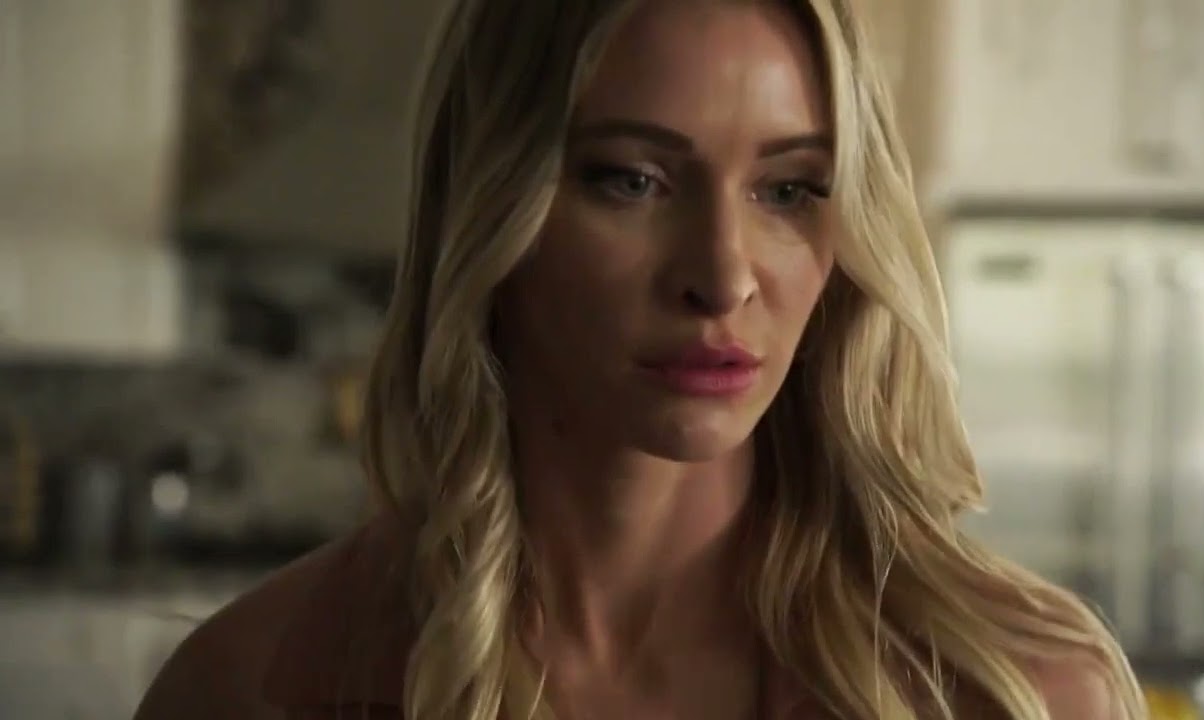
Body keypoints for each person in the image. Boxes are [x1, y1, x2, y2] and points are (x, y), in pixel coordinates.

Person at [135, 1, 1147, 718]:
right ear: (491, 211)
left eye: (788, 189)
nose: (722, 276)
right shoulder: (255, 688)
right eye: (632, 180)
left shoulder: (1016, 691)